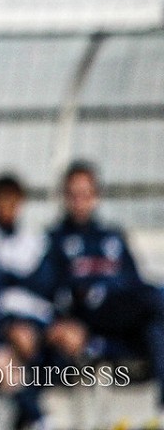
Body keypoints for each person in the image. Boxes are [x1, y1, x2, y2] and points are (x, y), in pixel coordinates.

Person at [38, 160, 164, 423]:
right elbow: (48, 292)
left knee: (156, 324)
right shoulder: (55, 239)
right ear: (65, 197)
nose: (80, 201)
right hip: (89, 314)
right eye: (74, 194)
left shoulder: (112, 237)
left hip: (126, 313)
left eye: (86, 194)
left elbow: (135, 281)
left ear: (96, 196)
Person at [0, 172, 52, 430]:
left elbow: (44, 287)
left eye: (13, 201)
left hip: (34, 318)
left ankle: (28, 416)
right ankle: (37, 417)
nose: (8, 208)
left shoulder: (33, 241)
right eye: (2, 200)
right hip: (3, 322)